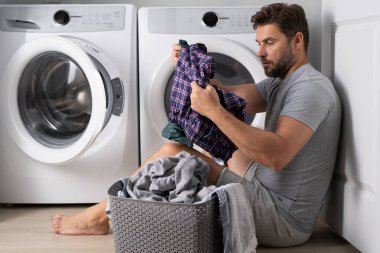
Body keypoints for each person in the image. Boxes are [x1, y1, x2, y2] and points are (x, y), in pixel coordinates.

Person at [51, 3, 341, 248]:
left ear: (298, 41)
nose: (261, 52)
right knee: (194, 142)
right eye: (258, 43)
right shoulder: (282, 84)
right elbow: (226, 95)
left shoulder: (310, 90)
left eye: (270, 43)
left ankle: (98, 218)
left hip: (281, 218)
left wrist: (214, 111)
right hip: (264, 183)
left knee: (175, 152)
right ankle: (116, 209)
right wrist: (190, 69)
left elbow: (276, 157)